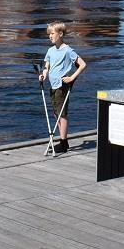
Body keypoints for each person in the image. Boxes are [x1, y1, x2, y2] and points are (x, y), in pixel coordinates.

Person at [38, 21, 87, 153]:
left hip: (62, 85)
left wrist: (72, 78)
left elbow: (82, 64)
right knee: (56, 113)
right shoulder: (50, 50)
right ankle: (62, 140)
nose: (50, 36)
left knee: (62, 114)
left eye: (52, 33)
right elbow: (47, 66)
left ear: (60, 34)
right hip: (53, 85)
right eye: (49, 34)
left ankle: (63, 142)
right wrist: (43, 74)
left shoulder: (67, 50)